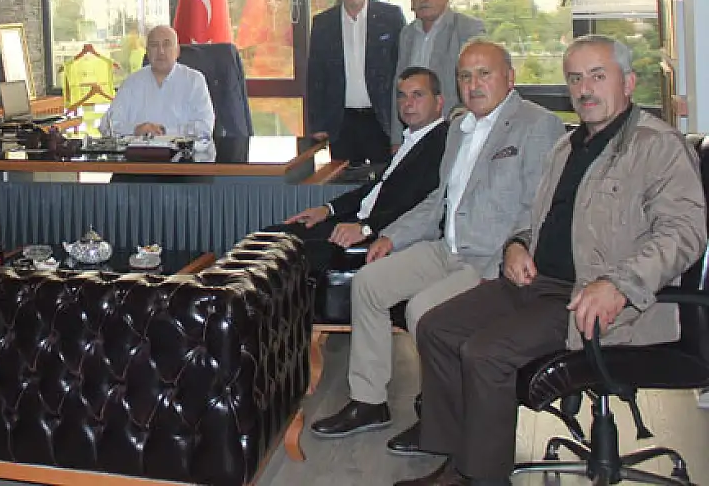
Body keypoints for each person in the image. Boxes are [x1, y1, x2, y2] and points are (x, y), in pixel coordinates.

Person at [398, 35, 707, 486]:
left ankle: (480, 477)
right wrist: (517, 245)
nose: (585, 89)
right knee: (436, 328)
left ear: (628, 82)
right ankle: (457, 459)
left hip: (600, 298)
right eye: (575, 79)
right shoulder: (567, 146)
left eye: (597, 76)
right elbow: (538, 218)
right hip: (538, 283)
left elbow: (684, 233)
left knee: (486, 352)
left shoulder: (656, 145)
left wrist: (619, 284)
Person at [309, 39, 564, 448]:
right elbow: (437, 200)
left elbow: (541, 204)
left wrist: (517, 246)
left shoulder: (537, 124)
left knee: (424, 310)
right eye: (465, 76)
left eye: (484, 74)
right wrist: (392, 235)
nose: (474, 84)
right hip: (447, 248)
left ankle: (438, 416)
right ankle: (369, 401)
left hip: (492, 260)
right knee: (369, 283)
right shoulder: (460, 128)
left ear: (510, 78)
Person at [268, 66, 447, 281]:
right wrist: (327, 209)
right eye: (402, 96)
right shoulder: (412, 139)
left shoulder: (440, 143)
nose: (407, 103)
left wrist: (365, 229)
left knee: (277, 251)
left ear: (439, 102)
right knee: (271, 238)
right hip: (356, 221)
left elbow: (415, 205)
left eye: (417, 95)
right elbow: (375, 189)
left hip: (376, 234)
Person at [305, 0, 406, 165]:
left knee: (387, 178)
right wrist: (317, 123)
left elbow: (403, 67)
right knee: (345, 180)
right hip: (342, 121)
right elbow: (316, 76)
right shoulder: (323, 23)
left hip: (382, 118)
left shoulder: (391, 17)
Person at [395, 0, 485, 143]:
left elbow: (479, 83)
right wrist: (396, 138)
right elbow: (398, 85)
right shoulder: (407, 34)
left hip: (455, 130)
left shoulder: (468, 29)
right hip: (414, 132)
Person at [102, 25, 215, 138]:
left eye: (166, 44)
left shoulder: (194, 81)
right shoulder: (132, 82)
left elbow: (205, 127)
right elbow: (106, 126)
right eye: (154, 45)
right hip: (139, 148)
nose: (161, 51)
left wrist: (164, 131)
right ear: (147, 51)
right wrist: (135, 130)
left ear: (177, 51)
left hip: (182, 148)